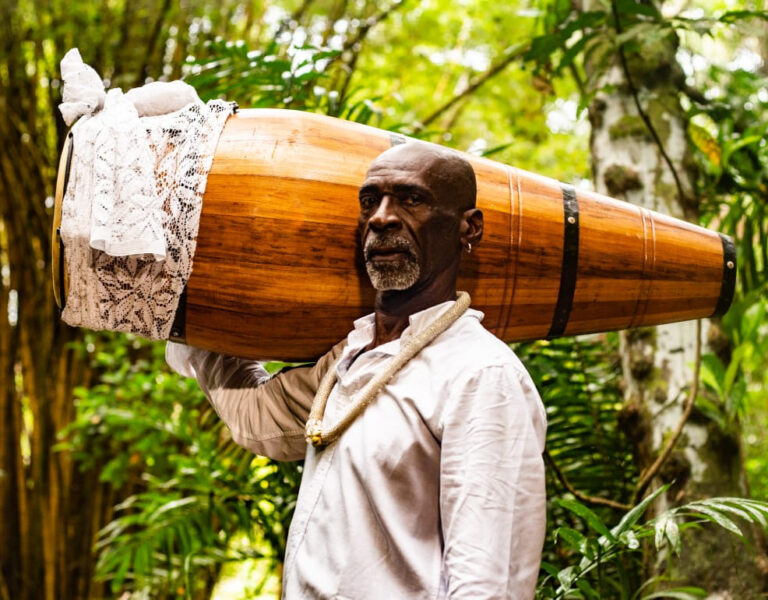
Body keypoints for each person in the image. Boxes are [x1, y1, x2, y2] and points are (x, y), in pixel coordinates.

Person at [166, 142, 547, 599]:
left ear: (469, 227)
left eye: (412, 199)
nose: (382, 217)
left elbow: (486, 586)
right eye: (370, 202)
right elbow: (256, 417)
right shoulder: (351, 358)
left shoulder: (481, 374)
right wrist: (176, 295)